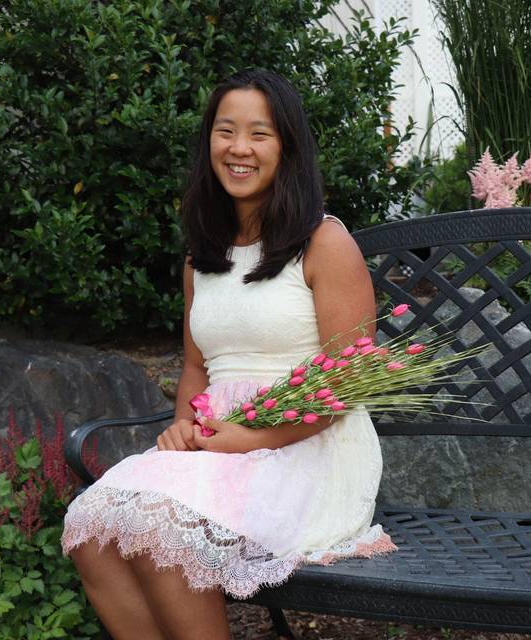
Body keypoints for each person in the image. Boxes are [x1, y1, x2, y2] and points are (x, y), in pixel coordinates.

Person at [61, 69, 395, 640]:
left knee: (166, 533)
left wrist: (245, 436)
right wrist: (182, 429)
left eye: (259, 134)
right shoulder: (203, 253)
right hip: (218, 442)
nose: (239, 149)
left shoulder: (324, 242)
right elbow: (197, 365)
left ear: (287, 147)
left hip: (307, 447)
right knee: (91, 530)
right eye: (225, 131)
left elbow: (347, 383)